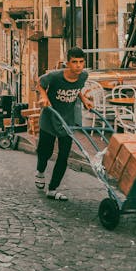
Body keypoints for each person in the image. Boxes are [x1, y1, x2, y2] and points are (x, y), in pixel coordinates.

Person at [35, 47, 93, 200]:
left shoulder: (83, 76)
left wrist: (84, 99)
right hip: (49, 118)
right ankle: (40, 172)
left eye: (81, 62)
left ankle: (53, 189)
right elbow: (39, 83)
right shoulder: (55, 77)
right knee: (45, 152)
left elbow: (77, 88)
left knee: (63, 156)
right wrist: (44, 96)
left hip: (67, 121)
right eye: (74, 62)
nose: (78, 65)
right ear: (68, 63)